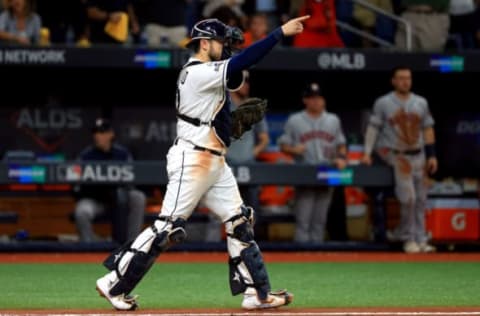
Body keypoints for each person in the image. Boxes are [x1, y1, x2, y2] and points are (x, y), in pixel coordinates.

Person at [95, 15, 309, 311]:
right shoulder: (197, 71)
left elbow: (231, 78)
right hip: (193, 159)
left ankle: (255, 294)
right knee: (166, 227)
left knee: (239, 221)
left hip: (213, 160)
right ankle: (113, 282)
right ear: (205, 43)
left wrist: (228, 126)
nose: (225, 46)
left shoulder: (206, 72)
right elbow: (241, 64)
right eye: (220, 42)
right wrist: (278, 33)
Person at [361, 66, 438, 253]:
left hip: (418, 154)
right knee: (408, 198)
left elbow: (427, 129)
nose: (405, 81)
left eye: (408, 78)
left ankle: (420, 238)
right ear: (393, 80)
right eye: (401, 78)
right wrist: (367, 152)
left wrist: (432, 154)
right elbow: (373, 129)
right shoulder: (384, 102)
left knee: (421, 199)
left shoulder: (421, 102)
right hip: (396, 154)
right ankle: (408, 237)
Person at [278, 82, 347, 243]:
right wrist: (294, 150)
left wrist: (342, 158)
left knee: (320, 221)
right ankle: (301, 256)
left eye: (318, 97)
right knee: (303, 220)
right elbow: (283, 145)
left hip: (328, 171)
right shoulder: (295, 120)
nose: (316, 101)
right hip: (304, 173)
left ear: (323, 100)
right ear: (305, 100)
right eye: (312, 98)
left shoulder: (333, 119)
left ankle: (317, 258)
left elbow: (341, 144)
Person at [73, 118, 146, 244]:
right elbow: (76, 187)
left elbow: (132, 182)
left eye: (102, 132)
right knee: (81, 212)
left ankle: (132, 244)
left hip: (119, 199)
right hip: (95, 201)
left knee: (138, 197)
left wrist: (118, 191)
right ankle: (88, 248)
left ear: (110, 134)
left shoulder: (122, 154)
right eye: (96, 132)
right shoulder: (85, 156)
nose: (98, 136)